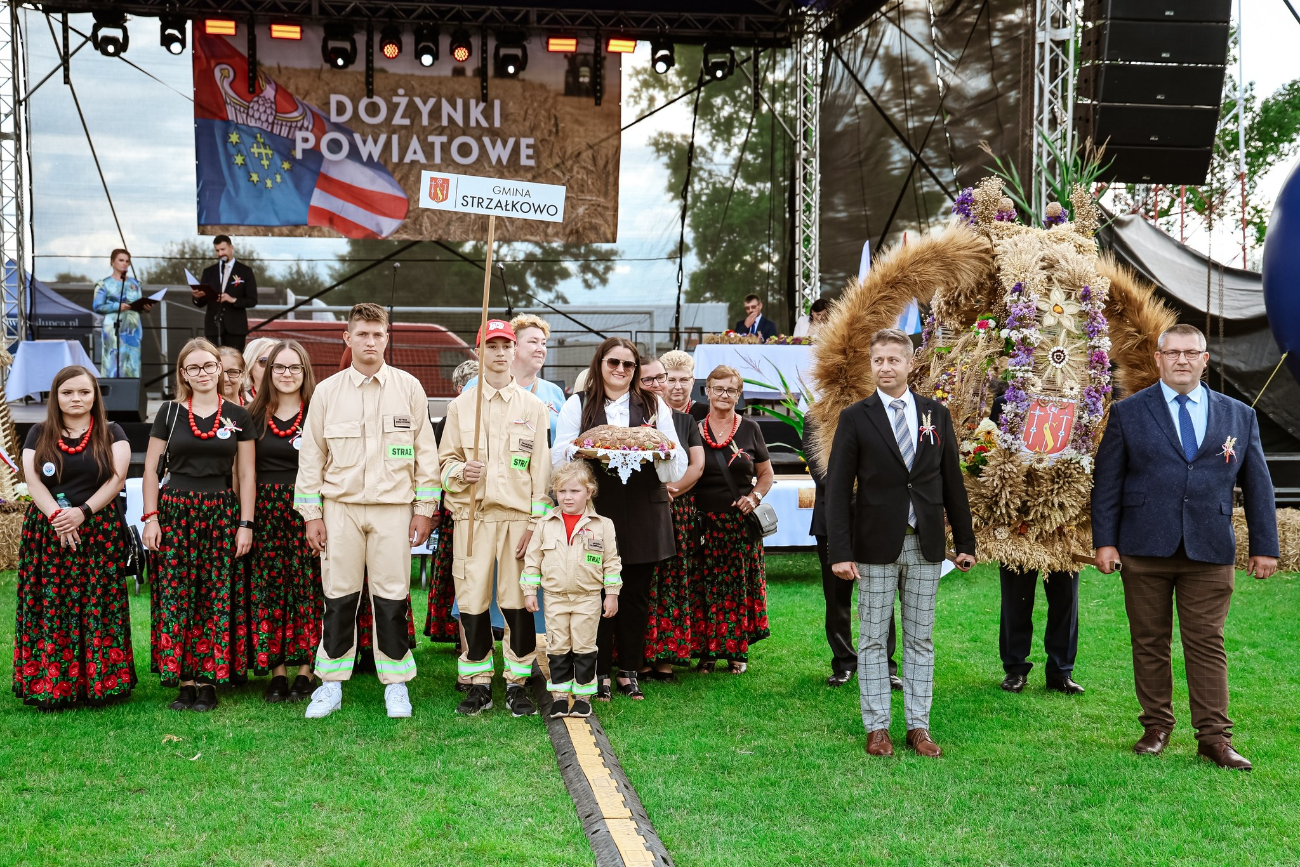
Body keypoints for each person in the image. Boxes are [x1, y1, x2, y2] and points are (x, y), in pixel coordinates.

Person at [1092, 323, 1278, 771]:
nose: (1181, 360)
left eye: (1190, 353)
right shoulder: (1128, 413)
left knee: (1206, 642)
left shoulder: (1239, 416)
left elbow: (1258, 486)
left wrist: (1265, 546)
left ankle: (1214, 738)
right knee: (1150, 640)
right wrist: (1106, 542)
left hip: (1210, 547)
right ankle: (1156, 726)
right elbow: (1107, 485)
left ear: (1204, 360)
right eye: (1172, 353)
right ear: (1158, 359)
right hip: (1143, 545)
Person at [827, 328, 976, 759]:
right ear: (870, 365)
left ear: (911, 364)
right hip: (874, 545)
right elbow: (838, 488)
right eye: (878, 360)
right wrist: (841, 551)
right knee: (872, 638)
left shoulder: (936, 414)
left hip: (926, 543)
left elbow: (952, 482)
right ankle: (877, 727)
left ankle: (919, 726)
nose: (885, 367)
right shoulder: (857, 416)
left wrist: (964, 540)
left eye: (894, 360)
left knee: (920, 638)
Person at [294, 303, 441, 720]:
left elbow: (424, 454)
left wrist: (425, 509)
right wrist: (312, 514)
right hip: (339, 509)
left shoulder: (410, 388)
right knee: (338, 596)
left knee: (392, 597)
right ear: (348, 338)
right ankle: (330, 684)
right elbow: (311, 458)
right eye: (362, 334)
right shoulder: (327, 391)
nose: (370, 341)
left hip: (394, 510)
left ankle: (396, 685)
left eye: (378, 334)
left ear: (387, 338)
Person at [553, 338, 687, 701]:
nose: (621, 370)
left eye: (629, 365)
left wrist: (657, 445)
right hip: (596, 510)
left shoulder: (654, 404)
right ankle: (596, 670)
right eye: (614, 362)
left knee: (635, 596)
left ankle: (629, 669)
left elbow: (675, 464)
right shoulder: (578, 404)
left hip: (644, 509)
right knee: (592, 593)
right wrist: (585, 445)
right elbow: (558, 456)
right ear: (600, 364)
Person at [439, 319, 552, 717]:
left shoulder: (534, 408)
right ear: (480, 352)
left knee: (518, 602)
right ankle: (478, 681)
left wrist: (537, 526)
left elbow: (542, 473)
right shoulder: (460, 406)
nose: (501, 353)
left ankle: (518, 682)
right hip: (472, 517)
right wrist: (458, 474)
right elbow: (444, 463)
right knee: (471, 600)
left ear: (513, 351)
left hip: (519, 520)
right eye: (493, 346)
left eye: (506, 346)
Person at [142, 338, 257, 712]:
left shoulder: (239, 416)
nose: (203, 373)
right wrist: (151, 517)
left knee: (214, 596)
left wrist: (246, 523)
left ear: (220, 369)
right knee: (178, 596)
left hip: (221, 512)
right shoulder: (170, 413)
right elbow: (150, 470)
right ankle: (185, 680)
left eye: (209, 366)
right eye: (194, 368)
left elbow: (247, 474)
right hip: (175, 512)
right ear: (183, 374)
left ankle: (209, 680)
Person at [14, 366, 134, 708]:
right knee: (52, 605)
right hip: (48, 534)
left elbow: (117, 478)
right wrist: (58, 518)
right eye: (67, 393)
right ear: (56, 397)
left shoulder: (113, 432)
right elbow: (34, 481)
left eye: (84, 392)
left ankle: (101, 682)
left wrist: (81, 513)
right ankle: (51, 683)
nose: (76, 398)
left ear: (95, 395)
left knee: (98, 604)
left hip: (98, 532)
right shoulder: (39, 432)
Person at [988, 394, 1082, 695]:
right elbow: (993, 448)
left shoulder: (1080, 400)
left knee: (1065, 597)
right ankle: (1015, 668)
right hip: (1018, 513)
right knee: (1016, 596)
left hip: (1063, 516)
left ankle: (1061, 671)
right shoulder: (1008, 398)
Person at [246, 339, 321, 703]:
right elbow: (241, 473)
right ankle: (277, 671)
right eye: (279, 367)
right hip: (265, 514)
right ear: (268, 372)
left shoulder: (319, 413)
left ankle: (306, 671)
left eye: (294, 367)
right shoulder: (252, 415)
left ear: (305, 372)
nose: (287, 374)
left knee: (307, 591)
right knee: (270, 591)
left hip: (306, 512)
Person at [806, 413, 900, 690]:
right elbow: (823, 474)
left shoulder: (879, 413)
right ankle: (844, 661)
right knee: (837, 597)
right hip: (832, 521)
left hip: (875, 520)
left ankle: (884, 665)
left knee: (881, 595)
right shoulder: (816, 418)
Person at [522, 460, 622, 719]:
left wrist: (611, 594)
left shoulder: (603, 525)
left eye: (575, 491)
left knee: (584, 647)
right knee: (557, 647)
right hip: (555, 598)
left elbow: (611, 562)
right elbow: (532, 561)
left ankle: (583, 697)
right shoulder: (545, 524)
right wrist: (530, 591)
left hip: (587, 598)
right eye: (562, 491)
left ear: (589, 492)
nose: (567, 497)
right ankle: (558, 696)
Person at [691, 365, 773, 674]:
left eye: (731, 390)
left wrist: (754, 497)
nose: (725, 395)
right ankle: (707, 653)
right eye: (719, 388)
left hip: (740, 523)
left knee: (737, 587)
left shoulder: (751, 428)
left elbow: (766, 473)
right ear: (707, 391)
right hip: (703, 523)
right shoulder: (693, 428)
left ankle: (737, 651)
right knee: (704, 586)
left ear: (739, 395)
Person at [641, 355, 705, 680]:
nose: (667, 385)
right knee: (642, 580)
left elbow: (697, 464)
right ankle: (639, 655)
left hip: (675, 510)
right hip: (641, 507)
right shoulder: (635, 416)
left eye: (666, 378)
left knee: (671, 580)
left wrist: (673, 490)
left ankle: (665, 656)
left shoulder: (685, 422)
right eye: (663, 378)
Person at [424, 359, 481, 648]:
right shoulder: (450, 419)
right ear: (460, 388)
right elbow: (437, 465)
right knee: (453, 572)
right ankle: (456, 634)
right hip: (453, 507)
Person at [466, 314, 567, 444]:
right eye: (533, 342)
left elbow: (566, 440)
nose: (541, 349)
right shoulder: (476, 386)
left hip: (546, 464)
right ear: (514, 347)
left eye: (543, 343)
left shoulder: (554, 392)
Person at [92, 248, 154, 378]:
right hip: (114, 328)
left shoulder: (135, 284)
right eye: (121, 260)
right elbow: (97, 306)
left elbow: (138, 304)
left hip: (132, 327)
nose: (125, 263)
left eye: (127, 261)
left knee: (132, 361)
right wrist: (117, 306)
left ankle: (132, 394)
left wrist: (145, 308)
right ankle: (112, 393)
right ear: (112, 262)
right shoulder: (104, 284)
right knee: (113, 360)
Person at [193, 234, 257, 350]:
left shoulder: (245, 271)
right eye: (217, 250)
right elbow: (202, 302)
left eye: (223, 249)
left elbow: (252, 300)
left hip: (235, 327)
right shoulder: (209, 272)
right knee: (213, 360)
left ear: (231, 248)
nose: (220, 253)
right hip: (213, 326)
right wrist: (197, 297)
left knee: (234, 361)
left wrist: (232, 299)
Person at [660, 350, 709, 421]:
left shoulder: (706, 413)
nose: (678, 387)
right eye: (671, 380)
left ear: (692, 381)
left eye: (683, 380)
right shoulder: (651, 412)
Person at [241, 336, 277, 403]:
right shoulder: (239, 402)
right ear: (250, 366)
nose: (270, 366)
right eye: (264, 361)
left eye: (276, 361)